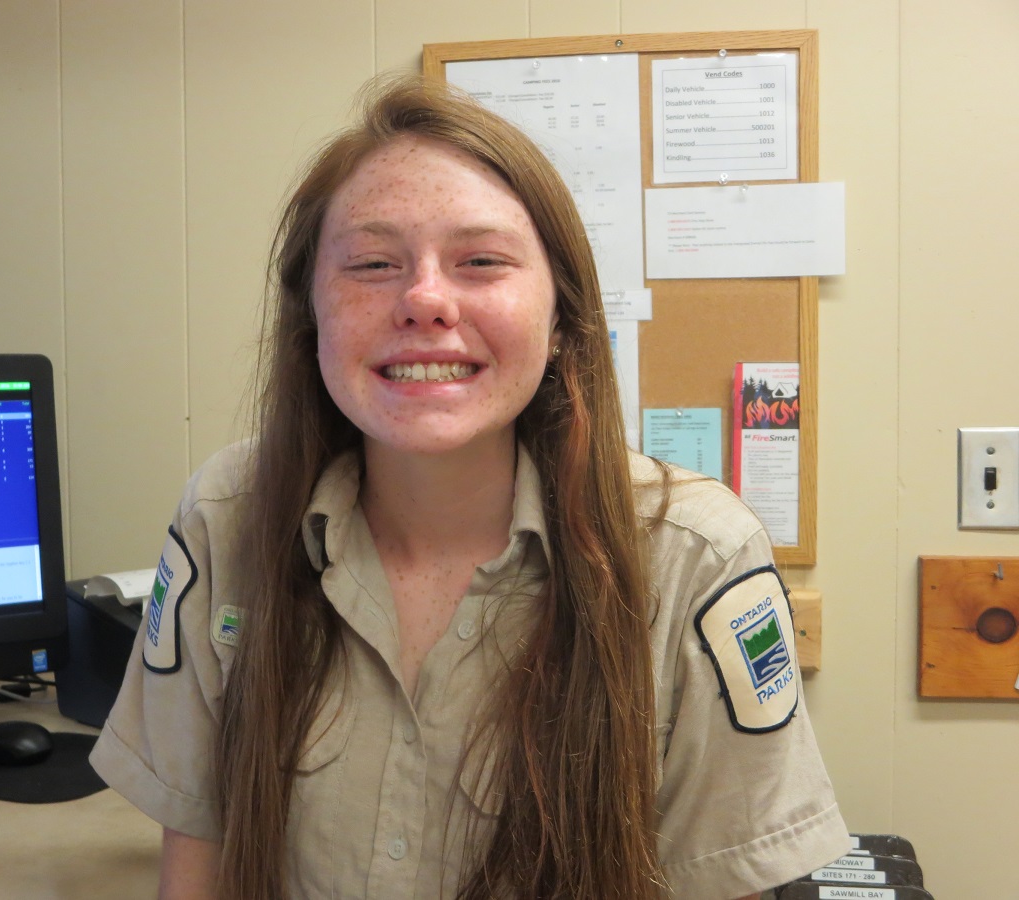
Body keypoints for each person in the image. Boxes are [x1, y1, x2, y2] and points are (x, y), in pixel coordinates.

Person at [90, 75, 850, 899]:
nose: (424, 299)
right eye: (374, 263)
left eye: (481, 261)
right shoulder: (225, 517)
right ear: (309, 313)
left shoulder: (695, 557)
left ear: (561, 318)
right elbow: (198, 859)